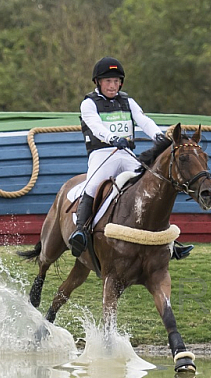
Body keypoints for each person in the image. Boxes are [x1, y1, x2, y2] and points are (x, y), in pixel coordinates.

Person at [68, 56, 169, 257]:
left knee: (150, 183)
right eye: (108, 81)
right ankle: (80, 230)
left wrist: (159, 136)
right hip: (103, 153)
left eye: (116, 81)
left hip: (127, 153)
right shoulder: (88, 104)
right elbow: (95, 127)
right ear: (98, 82)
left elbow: (143, 120)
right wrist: (112, 137)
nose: (113, 86)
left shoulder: (127, 101)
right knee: (93, 184)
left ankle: (165, 237)